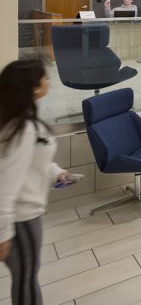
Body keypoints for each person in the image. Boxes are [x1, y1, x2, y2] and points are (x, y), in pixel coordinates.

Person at [1, 60, 72, 305]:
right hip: (20, 219)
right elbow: (5, 185)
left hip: (25, 215)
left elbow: (31, 158)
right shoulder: (22, 128)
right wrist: (3, 234)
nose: (49, 81)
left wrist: (56, 172)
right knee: (26, 279)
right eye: (46, 77)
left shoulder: (19, 119)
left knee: (26, 276)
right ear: (33, 87)